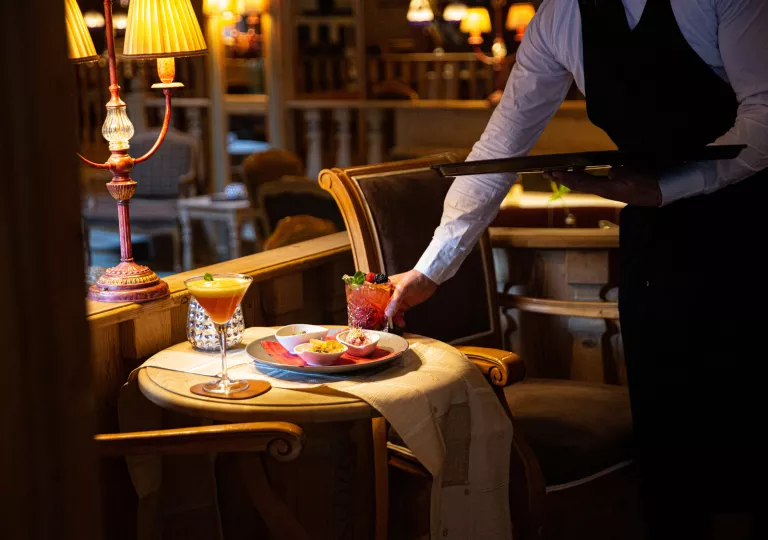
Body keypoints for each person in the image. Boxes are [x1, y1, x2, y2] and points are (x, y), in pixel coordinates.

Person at [384, 0, 768, 537]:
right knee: (669, 456)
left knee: (749, 445)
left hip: (752, 234)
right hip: (656, 250)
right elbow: (498, 150)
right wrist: (429, 272)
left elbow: (765, 117)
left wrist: (669, 187)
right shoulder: (558, 17)